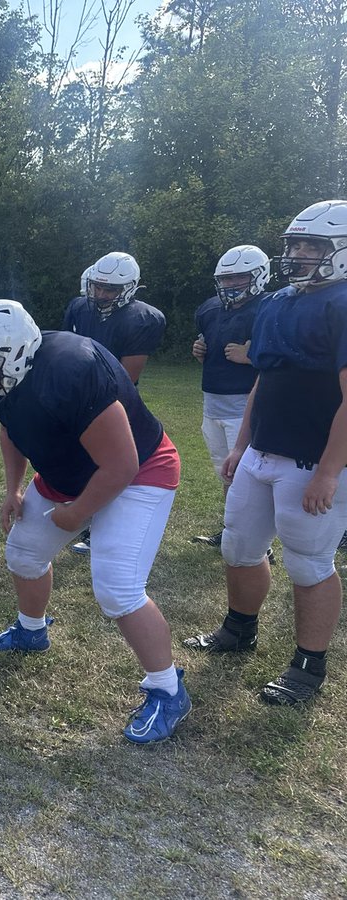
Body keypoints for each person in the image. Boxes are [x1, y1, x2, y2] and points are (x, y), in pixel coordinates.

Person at [0, 299, 188, 743]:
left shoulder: (72, 368)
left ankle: (167, 689)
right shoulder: (10, 375)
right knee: (24, 553)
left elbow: (121, 463)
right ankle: (32, 631)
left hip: (140, 471)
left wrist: (79, 513)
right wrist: (13, 489)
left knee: (118, 588)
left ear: (15, 354)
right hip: (71, 471)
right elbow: (11, 430)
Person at [184, 200, 347, 706]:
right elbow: (264, 378)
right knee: (238, 546)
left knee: (309, 563)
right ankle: (239, 629)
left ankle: (308, 665)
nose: (298, 254)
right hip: (262, 452)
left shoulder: (342, 303)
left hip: (310, 458)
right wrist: (241, 445)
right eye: (295, 244)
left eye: (312, 246)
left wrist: (328, 471)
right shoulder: (278, 302)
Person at [62, 251, 166, 554]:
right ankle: (84, 512)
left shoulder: (142, 318)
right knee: (81, 459)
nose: (101, 294)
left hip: (113, 401)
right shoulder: (79, 307)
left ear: (129, 288)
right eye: (98, 286)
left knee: (109, 463)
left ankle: (100, 527)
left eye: (110, 289)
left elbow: (126, 376)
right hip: (78, 395)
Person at [190, 246, 270, 548]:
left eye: (239, 277)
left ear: (258, 276)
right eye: (226, 278)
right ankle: (232, 530)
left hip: (246, 406)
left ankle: (258, 544)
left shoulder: (269, 307)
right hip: (212, 404)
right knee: (226, 473)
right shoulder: (210, 309)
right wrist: (200, 350)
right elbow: (208, 343)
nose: (231, 284)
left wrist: (251, 357)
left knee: (249, 477)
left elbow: (284, 359)